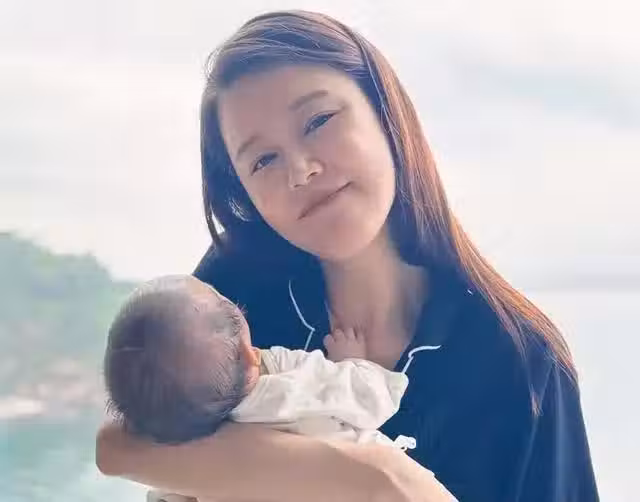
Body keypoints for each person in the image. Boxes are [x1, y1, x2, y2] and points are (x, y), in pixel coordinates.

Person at [95, 9, 599, 502]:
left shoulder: (519, 362)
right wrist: (378, 479)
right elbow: (118, 447)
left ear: (385, 112)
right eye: (263, 159)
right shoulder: (237, 286)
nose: (301, 170)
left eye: (318, 120)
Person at [103, 274, 415, 449]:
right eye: (227, 304)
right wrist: (352, 362)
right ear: (248, 353)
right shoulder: (288, 380)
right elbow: (372, 401)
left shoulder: (192, 445)